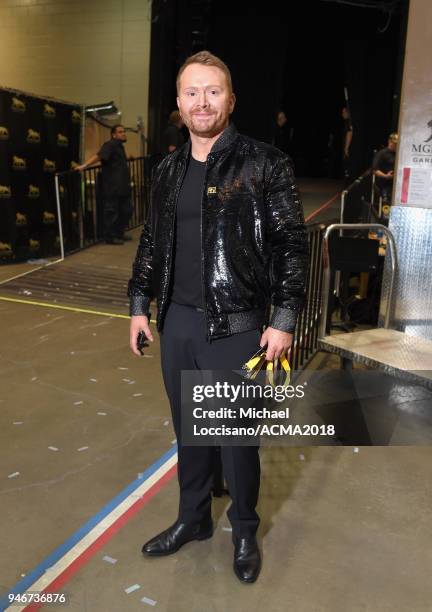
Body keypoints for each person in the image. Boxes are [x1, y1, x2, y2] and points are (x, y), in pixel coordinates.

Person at [128, 50, 308, 583]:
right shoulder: (166, 168)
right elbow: (151, 244)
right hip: (178, 323)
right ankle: (193, 520)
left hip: (239, 326)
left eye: (212, 91)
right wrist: (139, 304)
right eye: (191, 92)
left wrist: (283, 317)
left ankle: (245, 529)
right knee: (190, 434)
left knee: (235, 440)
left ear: (230, 100)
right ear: (178, 104)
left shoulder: (264, 162)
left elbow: (291, 246)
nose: (201, 102)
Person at [76, 124, 132, 245]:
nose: (123, 133)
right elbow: (99, 156)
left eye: (124, 131)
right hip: (113, 186)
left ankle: (118, 233)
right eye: (120, 132)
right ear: (114, 135)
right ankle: (110, 237)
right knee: (112, 212)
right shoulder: (110, 145)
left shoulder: (119, 146)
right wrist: (84, 166)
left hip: (122, 186)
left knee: (126, 210)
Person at [372, 132, 399, 204]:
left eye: (397, 144)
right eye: (395, 143)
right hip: (384, 184)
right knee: (386, 206)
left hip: (397, 185)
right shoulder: (381, 153)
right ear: (389, 141)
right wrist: (385, 176)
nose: (396, 145)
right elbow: (375, 170)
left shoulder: (399, 154)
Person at [341, 106, 353, 183]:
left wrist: (346, 147)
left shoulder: (349, 122)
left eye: (344, 112)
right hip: (346, 145)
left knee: (347, 165)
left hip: (348, 146)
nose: (342, 114)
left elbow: (349, 133)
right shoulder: (347, 122)